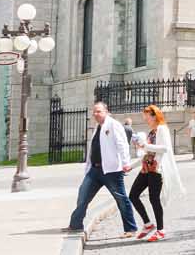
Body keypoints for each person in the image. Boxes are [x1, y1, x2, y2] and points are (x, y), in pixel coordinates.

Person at [67, 101, 138, 237]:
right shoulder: (98, 127)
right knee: (83, 195)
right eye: (94, 111)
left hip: (111, 170)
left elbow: (122, 144)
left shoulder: (113, 125)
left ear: (106, 111)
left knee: (121, 199)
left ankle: (130, 228)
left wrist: (126, 162)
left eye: (99, 111)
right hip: (95, 170)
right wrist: (88, 166)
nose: (95, 114)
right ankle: (75, 224)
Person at [128, 105, 182, 242]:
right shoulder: (152, 131)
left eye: (147, 116)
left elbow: (165, 149)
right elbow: (147, 153)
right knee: (133, 195)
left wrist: (145, 145)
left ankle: (161, 230)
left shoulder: (162, 129)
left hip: (156, 169)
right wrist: (131, 166)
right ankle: (148, 224)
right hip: (146, 167)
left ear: (154, 115)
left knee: (154, 199)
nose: (145, 119)